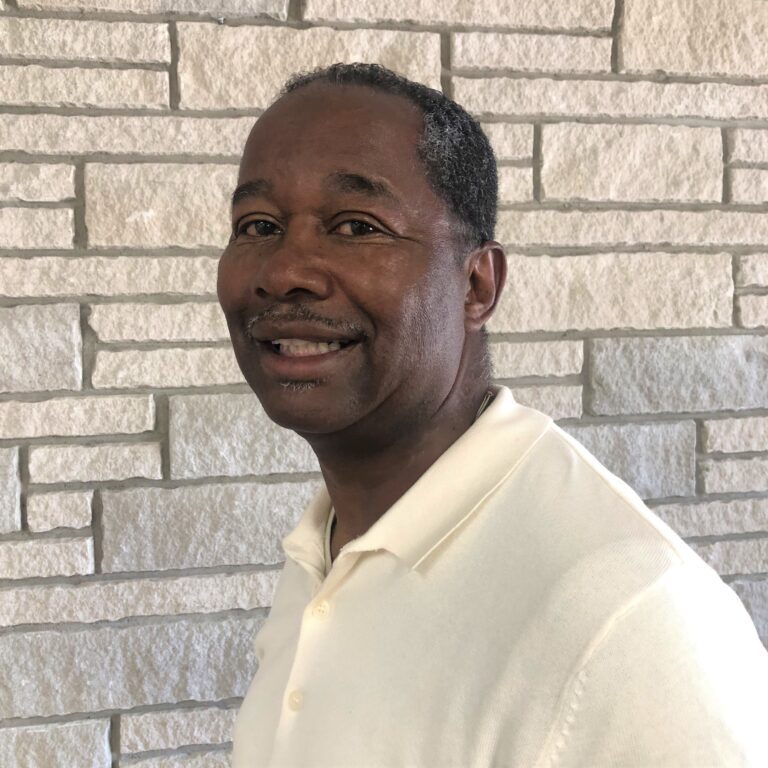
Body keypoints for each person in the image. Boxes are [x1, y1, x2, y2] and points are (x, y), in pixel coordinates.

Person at [217, 63, 768, 767]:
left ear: (477, 284)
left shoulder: (630, 622)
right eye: (258, 225)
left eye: (355, 226)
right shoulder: (323, 554)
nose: (284, 271)